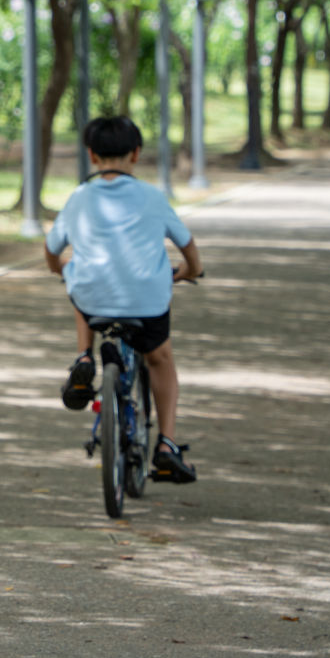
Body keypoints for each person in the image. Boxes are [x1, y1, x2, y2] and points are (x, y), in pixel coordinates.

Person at [45, 115, 204, 483]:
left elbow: (52, 249)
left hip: (92, 297)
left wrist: (60, 268)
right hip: (146, 301)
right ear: (136, 153)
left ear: (91, 155)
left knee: (78, 278)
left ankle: (84, 356)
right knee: (160, 358)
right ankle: (167, 445)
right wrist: (190, 271)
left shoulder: (79, 197)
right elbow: (188, 247)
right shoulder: (152, 196)